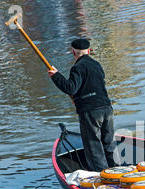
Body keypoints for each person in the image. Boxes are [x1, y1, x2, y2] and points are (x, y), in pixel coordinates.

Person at [48, 38, 117, 172]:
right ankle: (115, 171)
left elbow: (70, 88)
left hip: (91, 112)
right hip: (107, 108)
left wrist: (56, 76)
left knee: (93, 147)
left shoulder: (77, 67)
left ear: (73, 52)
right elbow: (93, 85)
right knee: (109, 143)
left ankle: (101, 177)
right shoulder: (97, 65)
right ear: (89, 51)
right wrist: (78, 98)